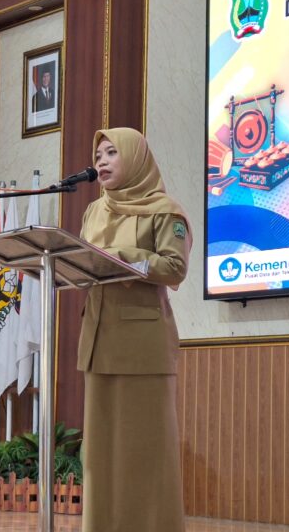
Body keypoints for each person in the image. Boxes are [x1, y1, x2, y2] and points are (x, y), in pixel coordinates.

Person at [78, 127, 191, 532]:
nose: (102, 162)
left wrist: (123, 257)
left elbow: (174, 268)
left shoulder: (166, 211)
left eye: (111, 153)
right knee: (100, 455)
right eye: (98, 155)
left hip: (143, 346)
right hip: (99, 342)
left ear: (136, 158)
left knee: (146, 451)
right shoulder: (94, 211)